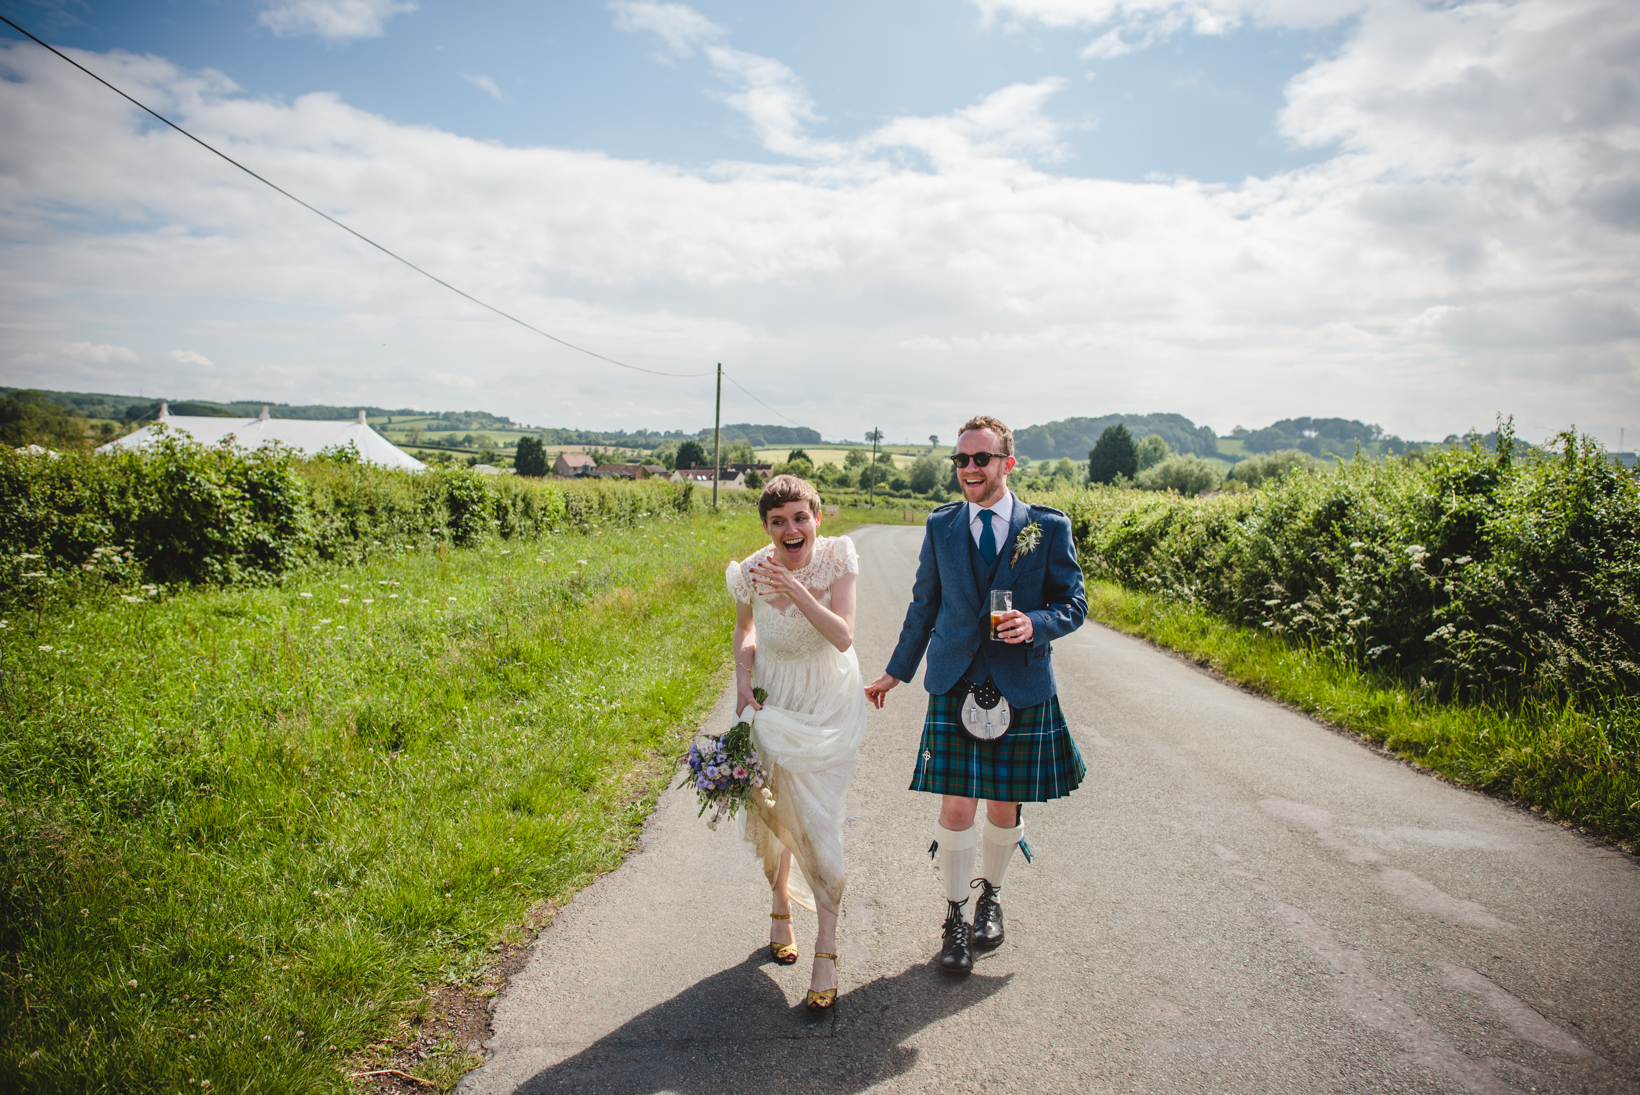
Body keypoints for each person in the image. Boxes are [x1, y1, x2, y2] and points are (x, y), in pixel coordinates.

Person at [865, 415, 1087, 973]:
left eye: (980, 459)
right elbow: (924, 605)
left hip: (1021, 681)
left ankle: (992, 897)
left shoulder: (1047, 527)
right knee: (958, 802)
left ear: (1007, 464)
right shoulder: (941, 526)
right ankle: (956, 917)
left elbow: (1074, 603)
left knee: (1003, 803)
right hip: (954, 677)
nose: (968, 468)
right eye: (961, 460)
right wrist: (896, 671)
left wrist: (1036, 622)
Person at [727, 474, 868, 1011]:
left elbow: (843, 635)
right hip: (774, 698)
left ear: (817, 517)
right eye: (778, 521)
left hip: (828, 701)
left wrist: (797, 590)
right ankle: (780, 903)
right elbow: (746, 633)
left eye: (799, 518)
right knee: (776, 806)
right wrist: (742, 674)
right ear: (766, 527)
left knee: (819, 818)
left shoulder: (839, 558)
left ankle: (826, 947)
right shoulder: (748, 574)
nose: (791, 529)